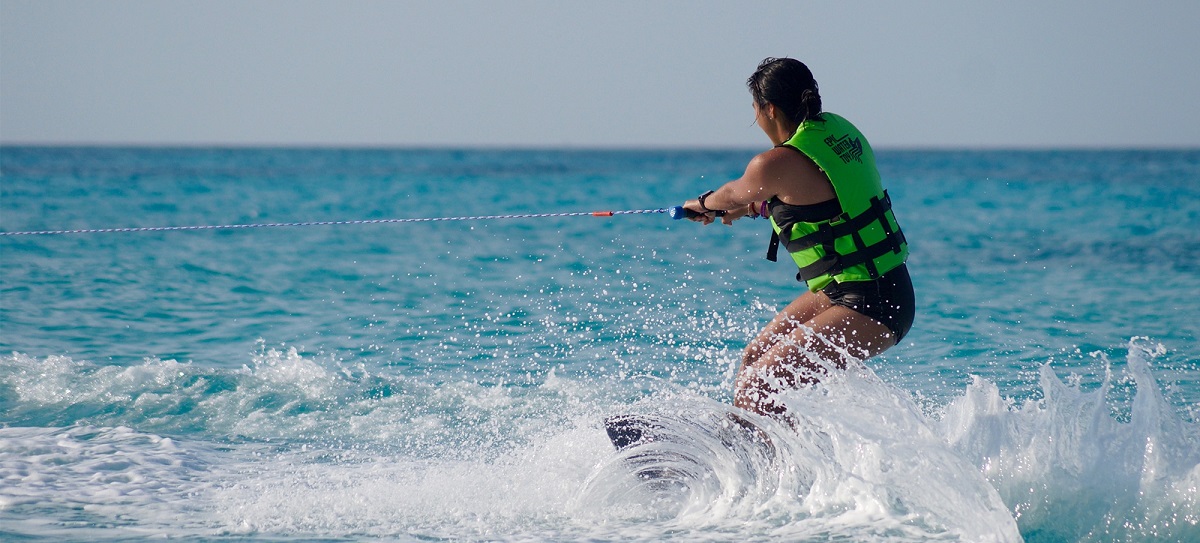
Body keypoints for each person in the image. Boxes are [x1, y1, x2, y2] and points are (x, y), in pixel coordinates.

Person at [682, 57, 915, 417]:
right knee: (755, 358)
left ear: (769, 109)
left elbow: (731, 194)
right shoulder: (837, 132)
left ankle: (776, 453)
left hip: (875, 302)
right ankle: (754, 442)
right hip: (851, 288)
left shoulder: (773, 163)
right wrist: (754, 209)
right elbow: (817, 201)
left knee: (760, 385)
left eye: (755, 108)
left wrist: (700, 204)